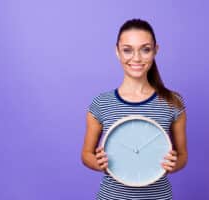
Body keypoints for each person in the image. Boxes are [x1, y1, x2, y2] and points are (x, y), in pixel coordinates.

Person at [81, 19, 188, 200]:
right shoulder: (101, 103)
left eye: (145, 49)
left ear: (155, 51)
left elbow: (182, 156)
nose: (136, 58)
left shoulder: (173, 102)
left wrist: (173, 164)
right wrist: (99, 164)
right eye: (127, 50)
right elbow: (86, 154)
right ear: (117, 52)